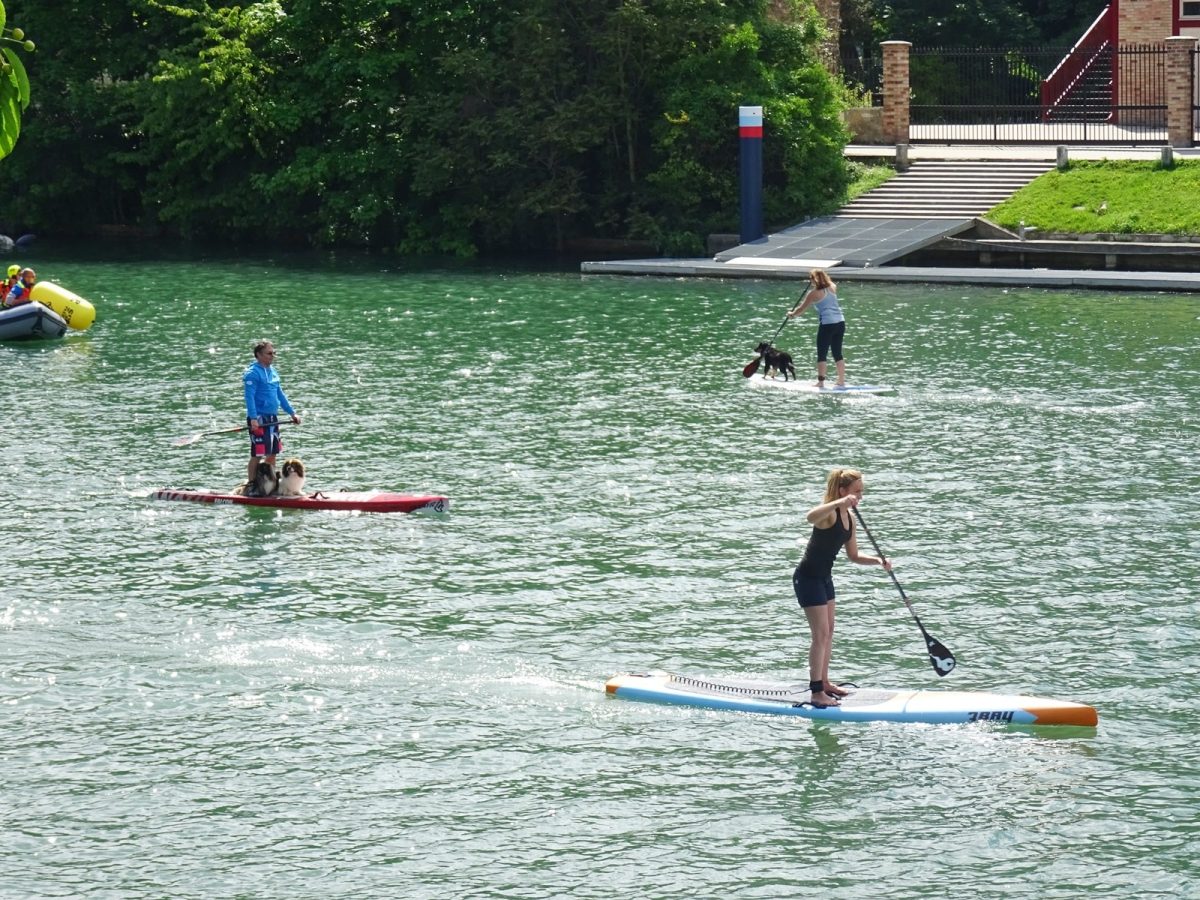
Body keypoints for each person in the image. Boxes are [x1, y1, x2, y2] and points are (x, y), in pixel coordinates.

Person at [792, 467, 891, 709]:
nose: (860, 497)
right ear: (842, 491)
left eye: (861, 492)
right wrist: (839, 502)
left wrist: (878, 561)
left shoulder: (850, 519)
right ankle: (816, 693)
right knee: (820, 634)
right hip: (807, 578)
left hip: (825, 579)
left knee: (830, 632)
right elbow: (810, 516)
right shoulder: (830, 514)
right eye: (856, 492)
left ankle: (824, 682)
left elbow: (854, 555)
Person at [242, 340, 301, 492]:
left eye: (273, 353)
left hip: (272, 419)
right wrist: (253, 418)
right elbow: (249, 398)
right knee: (258, 453)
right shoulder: (252, 374)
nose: (272, 356)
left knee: (273, 452)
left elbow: (280, 395)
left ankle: (271, 485)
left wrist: (292, 412)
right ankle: (252, 485)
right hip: (259, 419)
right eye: (269, 353)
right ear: (259, 355)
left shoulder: (273, 372)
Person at [787, 268, 846, 388]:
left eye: (811, 279)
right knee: (837, 353)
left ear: (814, 279)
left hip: (827, 324)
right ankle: (841, 381)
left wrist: (792, 314)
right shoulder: (833, 286)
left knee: (822, 354)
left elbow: (801, 309)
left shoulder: (813, 293)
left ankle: (821, 382)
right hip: (840, 322)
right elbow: (826, 285)